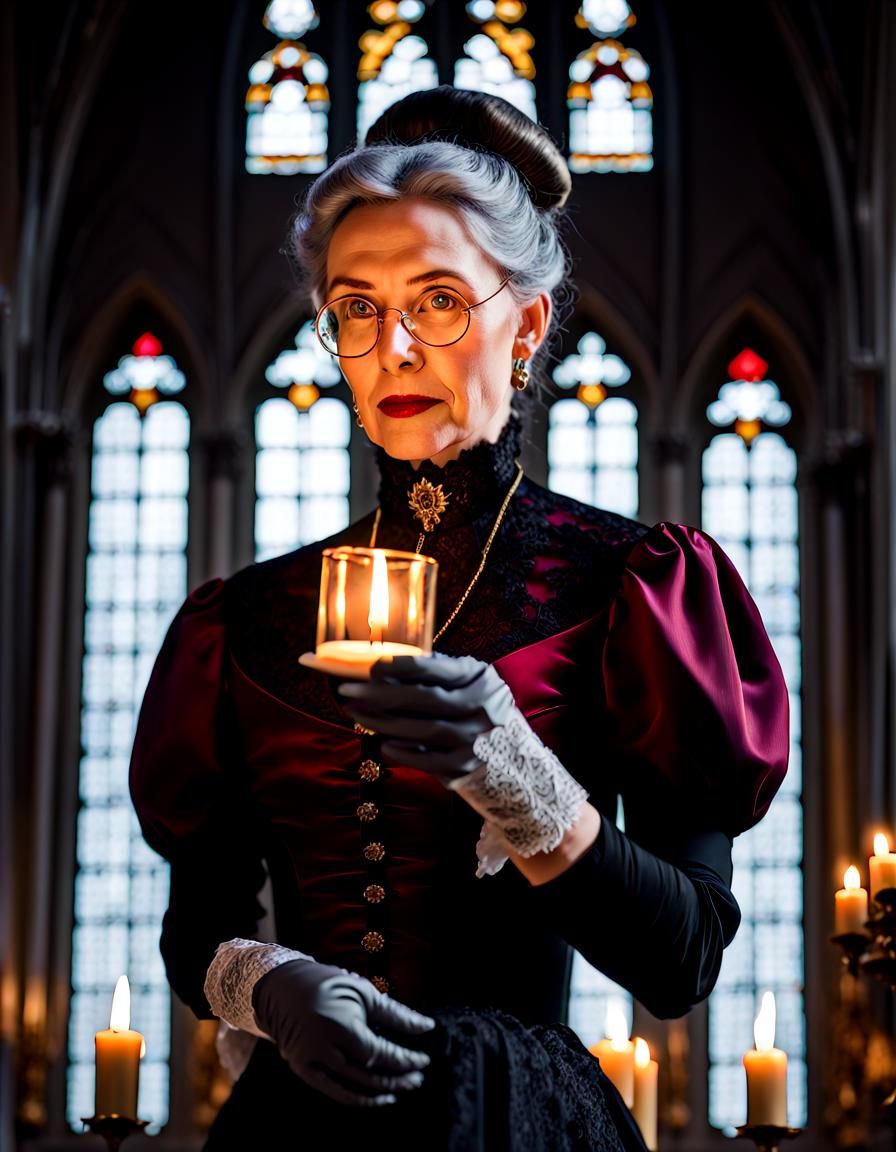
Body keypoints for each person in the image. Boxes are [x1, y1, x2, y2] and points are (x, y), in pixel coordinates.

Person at [129, 86, 790, 1151]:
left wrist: (521, 779)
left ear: (524, 322)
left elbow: (683, 959)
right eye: (355, 305)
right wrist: (273, 986)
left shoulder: (630, 583)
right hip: (295, 1128)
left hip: (518, 1119)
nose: (392, 345)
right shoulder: (242, 621)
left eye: (437, 299)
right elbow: (194, 931)